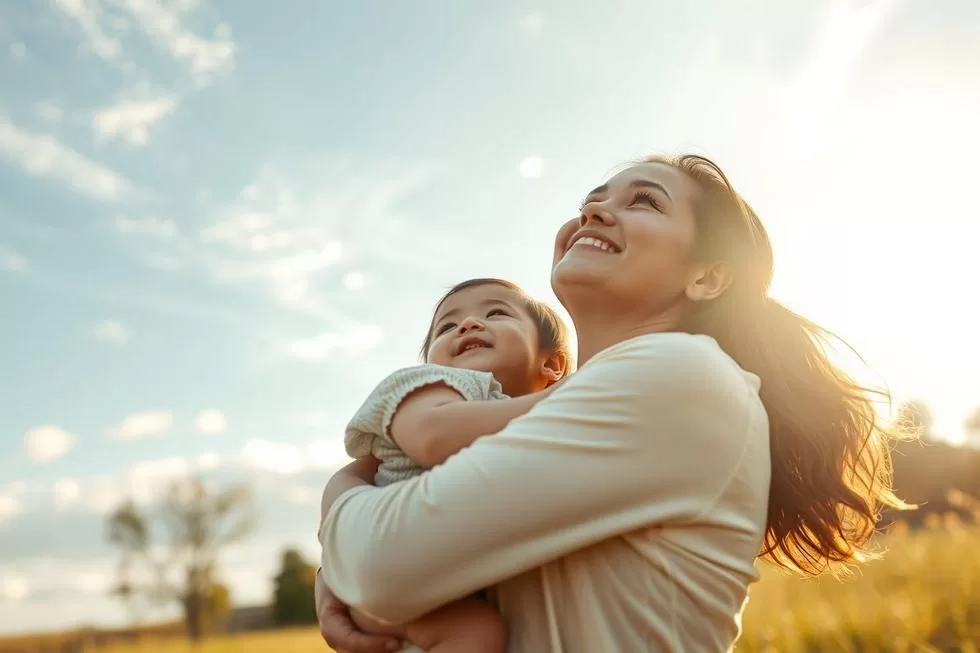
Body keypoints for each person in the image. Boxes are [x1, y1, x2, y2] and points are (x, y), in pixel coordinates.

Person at [315, 153, 907, 653]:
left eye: (644, 202)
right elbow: (394, 563)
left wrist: (340, 507)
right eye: (591, 200)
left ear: (706, 279)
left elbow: (379, 568)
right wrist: (344, 565)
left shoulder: (681, 373)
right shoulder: (601, 401)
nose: (592, 213)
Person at [323, 278, 572, 652]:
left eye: (496, 312)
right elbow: (432, 438)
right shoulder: (432, 387)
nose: (468, 324)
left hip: (448, 578)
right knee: (476, 633)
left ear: (551, 363)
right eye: (446, 326)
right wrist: (561, 399)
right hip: (396, 574)